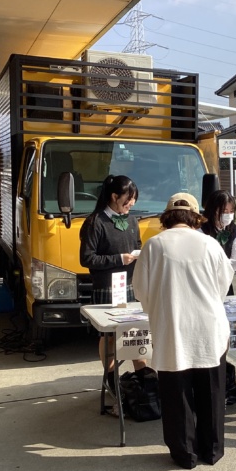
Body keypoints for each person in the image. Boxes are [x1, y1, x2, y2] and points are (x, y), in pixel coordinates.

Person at [133, 193, 234, 469]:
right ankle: (212, 450)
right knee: (211, 391)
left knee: (176, 394)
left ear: (167, 217)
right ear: (194, 217)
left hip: (171, 328)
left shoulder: (153, 246)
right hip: (208, 328)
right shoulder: (210, 244)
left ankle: (184, 453)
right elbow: (223, 285)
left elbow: (140, 290)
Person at [79, 175, 146, 410]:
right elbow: (87, 258)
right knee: (108, 335)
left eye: (133, 200)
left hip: (129, 284)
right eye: (128, 200)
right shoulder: (95, 222)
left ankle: (143, 375)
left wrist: (138, 257)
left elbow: (136, 243)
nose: (131, 205)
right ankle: (110, 375)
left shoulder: (132, 221)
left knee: (135, 330)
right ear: (114, 197)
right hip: (106, 286)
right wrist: (120, 258)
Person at [200, 190, 236, 295]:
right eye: (224, 211)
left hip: (225, 284)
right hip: (203, 285)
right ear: (212, 210)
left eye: (231, 211)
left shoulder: (234, 229)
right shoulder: (200, 230)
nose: (229, 215)